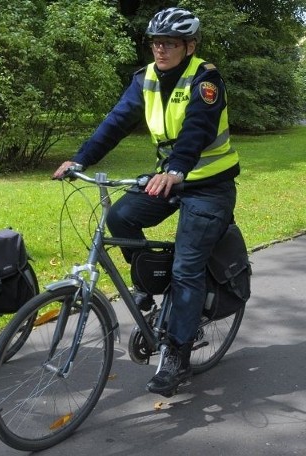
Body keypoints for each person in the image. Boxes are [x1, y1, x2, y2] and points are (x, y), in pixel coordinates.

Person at [52, 8, 239, 396]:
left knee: (188, 268)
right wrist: (81, 158)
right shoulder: (146, 79)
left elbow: (197, 130)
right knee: (120, 219)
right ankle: (149, 285)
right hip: (168, 179)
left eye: (169, 43)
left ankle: (176, 355)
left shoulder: (206, 79)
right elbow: (116, 122)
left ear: (190, 46)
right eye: (155, 43)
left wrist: (176, 169)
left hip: (209, 186)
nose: (161, 50)